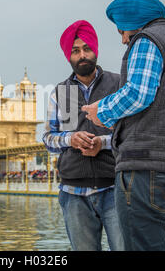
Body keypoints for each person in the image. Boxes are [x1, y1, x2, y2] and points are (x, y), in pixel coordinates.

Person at [82, 0, 165, 251]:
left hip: (147, 175)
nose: (124, 39)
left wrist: (100, 111)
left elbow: (138, 93)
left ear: (132, 22)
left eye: (122, 30)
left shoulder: (147, 41)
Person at [42, 20, 124, 251]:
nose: (82, 55)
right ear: (69, 56)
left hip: (115, 189)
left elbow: (132, 133)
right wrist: (71, 139)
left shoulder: (117, 84)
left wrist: (103, 143)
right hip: (73, 193)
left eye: (87, 49)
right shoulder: (62, 92)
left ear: (95, 51)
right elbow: (49, 138)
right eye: (76, 51)